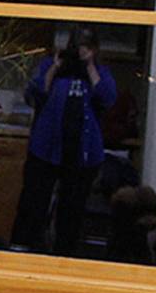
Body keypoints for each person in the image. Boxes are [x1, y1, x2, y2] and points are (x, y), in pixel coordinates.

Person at [10, 27, 117, 256]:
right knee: (34, 203)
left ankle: (64, 255)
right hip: (46, 149)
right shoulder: (53, 66)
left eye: (86, 46)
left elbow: (107, 98)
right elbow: (34, 94)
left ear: (94, 49)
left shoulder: (99, 71)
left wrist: (89, 66)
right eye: (76, 46)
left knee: (72, 210)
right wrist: (56, 67)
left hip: (82, 154)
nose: (79, 51)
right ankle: (23, 247)